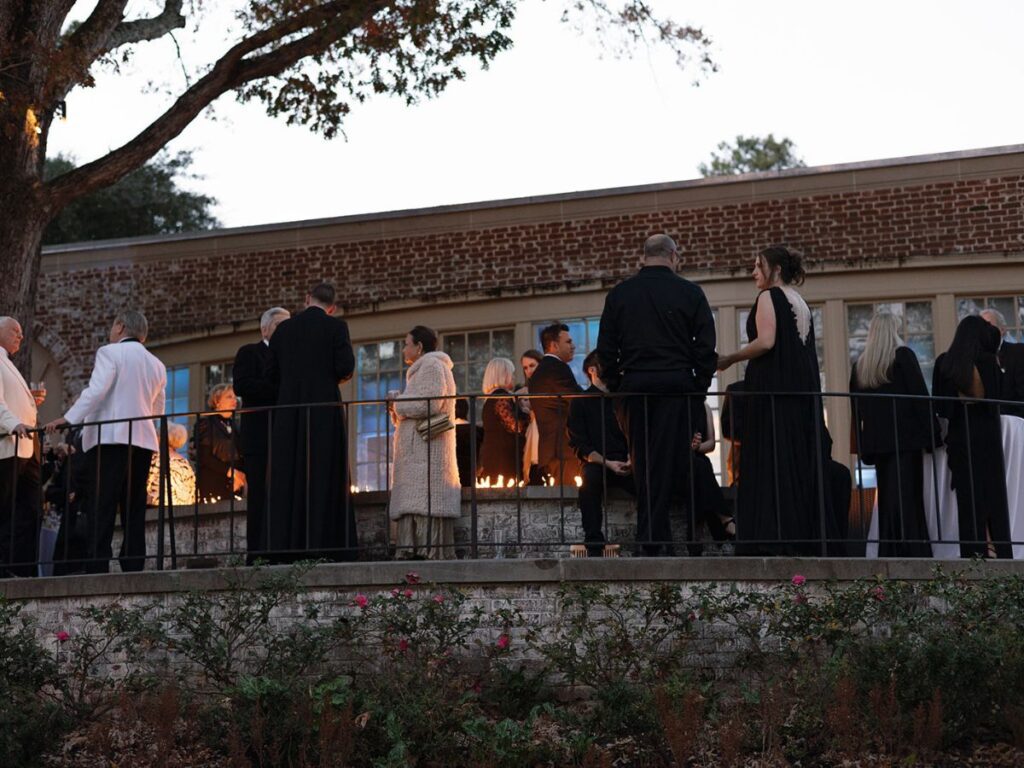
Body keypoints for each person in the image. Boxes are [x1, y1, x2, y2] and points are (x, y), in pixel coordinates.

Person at [597, 234, 717, 556]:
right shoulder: (690, 293)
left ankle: (651, 540)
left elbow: (606, 349)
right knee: (670, 462)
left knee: (646, 461)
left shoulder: (621, 294)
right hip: (677, 387)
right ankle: (666, 540)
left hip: (635, 389)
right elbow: (706, 347)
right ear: (673, 256)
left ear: (643, 257)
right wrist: (697, 387)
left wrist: (617, 386)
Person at [717, 246, 835, 556]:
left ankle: (771, 538)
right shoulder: (801, 302)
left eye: (759, 266)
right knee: (793, 465)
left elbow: (767, 341)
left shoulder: (769, 297)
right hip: (800, 399)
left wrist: (730, 358)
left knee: (771, 463)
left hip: (774, 398)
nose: (754, 271)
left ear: (776, 270)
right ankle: (799, 538)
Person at [46, 310, 166, 573]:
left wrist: (69, 418)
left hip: (111, 437)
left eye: (113, 326)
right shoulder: (157, 364)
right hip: (143, 440)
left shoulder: (110, 353)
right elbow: (158, 408)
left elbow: (97, 390)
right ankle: (133, 561)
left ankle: (98, 561)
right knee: (134, 504)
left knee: (103, 502)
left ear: (121, 327)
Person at [267, 283, 356, 562]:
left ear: (307, 300)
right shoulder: (336, 328)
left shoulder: (284, 330)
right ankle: (327, 544)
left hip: (289, 411)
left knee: (289, 472)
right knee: (324, 471)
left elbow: (271, 373)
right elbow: (345, 367)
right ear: (332, 307)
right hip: (323, 411)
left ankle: (285, 547)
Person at [849, 312, 935, 557]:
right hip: (905, 440)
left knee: (887, 498)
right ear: (893, 331)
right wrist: (933, 435)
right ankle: (913, 548)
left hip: (878, 443)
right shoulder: (903, 357)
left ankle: (890, 547)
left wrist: (863, 444)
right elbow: (919, 396)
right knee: (908, 496)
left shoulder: (862, 367)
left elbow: (856, 410)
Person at [933, 315, 1011, 558]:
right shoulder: (989, 363)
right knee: (994, 500)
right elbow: (1000, 398)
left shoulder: (946, 364)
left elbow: (941, 407)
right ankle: (999, 549)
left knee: (968, 503)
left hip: (960, 440)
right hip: (987, 439)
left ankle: (973, 554)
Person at [388, 326, 460, 559]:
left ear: (419, 347)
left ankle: (424, 549)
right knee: (416, 502)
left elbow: (429, 403)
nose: (403, 349)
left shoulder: (432, 366)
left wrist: (398, 403)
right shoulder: (423, 369)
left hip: (426, 453)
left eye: (406, 343)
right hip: (419, 454)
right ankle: (416, 548)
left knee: (424, 502)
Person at [233, 306, 289, 561]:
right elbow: (243, 385)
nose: (284, 330)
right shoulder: (249, 352)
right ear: (265, 328)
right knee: (259, 495)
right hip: (258, 436)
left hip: (284, 434)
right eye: (279, 325)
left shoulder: (291, 357)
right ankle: (256, 553)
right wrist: (277, 389)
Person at [567, 351, 635, 556]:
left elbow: (635, 432)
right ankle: (594, 542)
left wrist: (632, 457)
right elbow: (580, 445)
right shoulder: (580, 402)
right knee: (589, 481)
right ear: (592, 370)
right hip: (598, 462)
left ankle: (651, 539)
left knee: (650, 482)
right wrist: (608, 463)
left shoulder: (621, 399)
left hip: (627, 460)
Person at [0, 317, 45, 577]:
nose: (20, 336)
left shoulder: (7, 362)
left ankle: (23, 568)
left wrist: (29, 401)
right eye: (14, 331)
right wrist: (13, 423)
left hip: (27, 447)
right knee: (6, 509)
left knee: (30, 509)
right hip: (8, 445)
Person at [528, 324, 582, 486]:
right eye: (568, 342)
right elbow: (579, 400)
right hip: (563, 451)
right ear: (554, 345)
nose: (573, 346)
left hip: (551, 450)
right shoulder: (557, 368)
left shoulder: (541, 371)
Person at [478, 358, 530, 484]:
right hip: (503, 459)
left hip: (495, 456)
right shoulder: (501, 398)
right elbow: (514, 425)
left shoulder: (491, 399)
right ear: (503, 375)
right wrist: (530, 417)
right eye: (511, 373)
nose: (513, 377)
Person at [194, 384, 244, 502]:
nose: (234, 400)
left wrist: (240, 475)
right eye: (229, 397)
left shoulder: (235, 426)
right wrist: (230, 472)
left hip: (235, 486)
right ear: (217, 401)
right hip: (213, 483)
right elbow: (204, 456)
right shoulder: (206, 423)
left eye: (235, 397)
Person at [980, 308, 1024, 416]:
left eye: (988, 325)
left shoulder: (1018, 352)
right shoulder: (977, 358)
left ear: (1002, 329)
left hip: (1015, 421)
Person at [146, 422, 196, 508]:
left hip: (155, 506)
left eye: (157, 434)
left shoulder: (155, 459)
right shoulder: (185, 464)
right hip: (183, 508)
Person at [518, 349, 543, 484]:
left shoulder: (549, 386)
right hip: (529, 436)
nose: (528, 370)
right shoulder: (521, 393)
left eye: (532, 365)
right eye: (525, 368)